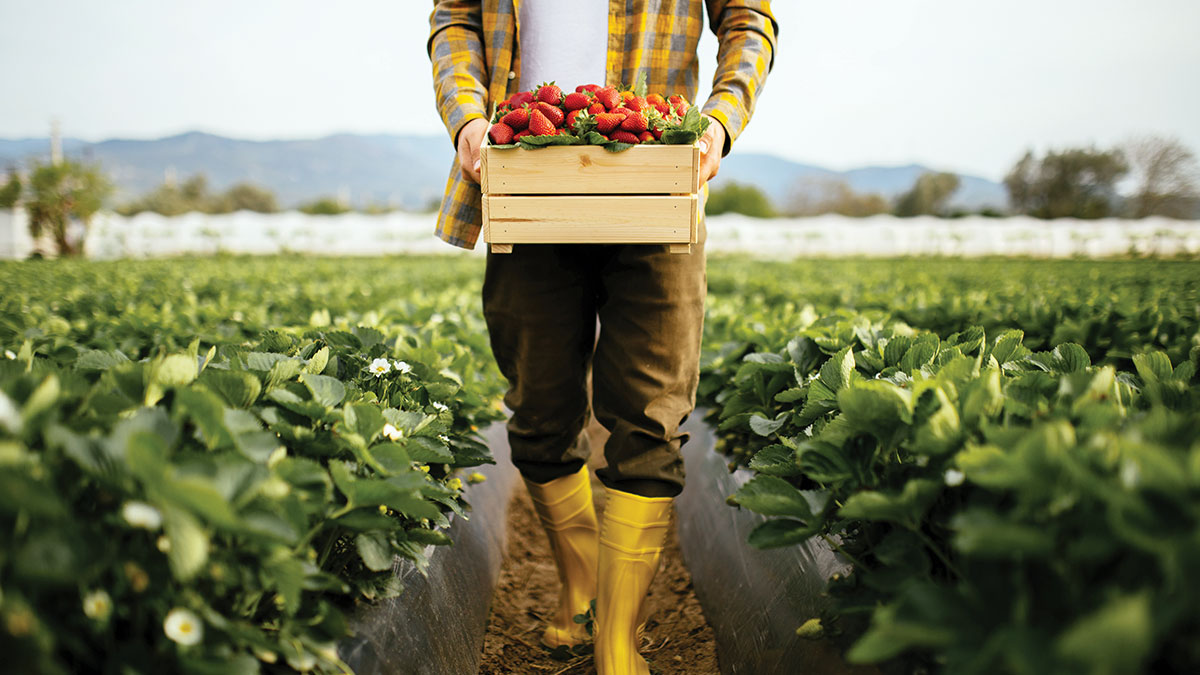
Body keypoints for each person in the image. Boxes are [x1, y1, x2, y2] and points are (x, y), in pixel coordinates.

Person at [427, 2, 776, 672]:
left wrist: (720, 123)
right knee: (538, 405)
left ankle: (617, 639)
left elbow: (749, 20)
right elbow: (455, 19)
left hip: (656, 171)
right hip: (524, 168)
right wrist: (468, 116)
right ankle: (581, 584)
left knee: (651, 412)